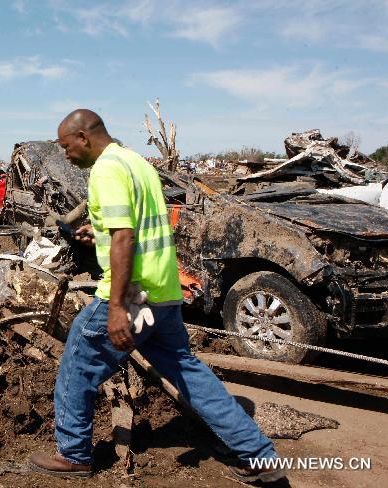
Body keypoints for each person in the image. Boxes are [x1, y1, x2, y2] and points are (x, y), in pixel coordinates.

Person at [28, 109, 284, 484]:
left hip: (132, 295)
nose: (66, 155)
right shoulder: (137, 163)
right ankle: (257, 453)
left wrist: (115, 308)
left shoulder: (107, 170)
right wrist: (98, 233)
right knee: (187, 371)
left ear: (84, 137)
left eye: (67, 147)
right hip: (163, 293)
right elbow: (129, 227)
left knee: (76, 368)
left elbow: (125, 238)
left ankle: (74, 455)